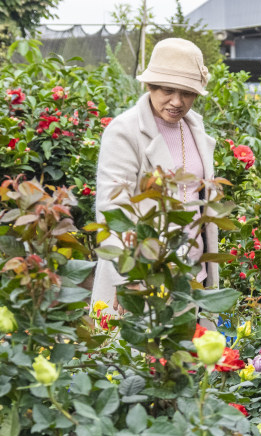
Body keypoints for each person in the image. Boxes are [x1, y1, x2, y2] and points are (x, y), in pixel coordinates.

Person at [91, 37, 219, 312]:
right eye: (168, 90)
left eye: (187, 92)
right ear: (149, 85)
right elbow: (112, 211)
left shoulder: (194, 127)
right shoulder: (125, 131)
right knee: (141, 351)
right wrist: (128, 278)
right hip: (145, 278)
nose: (177, 101)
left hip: (193, 275)